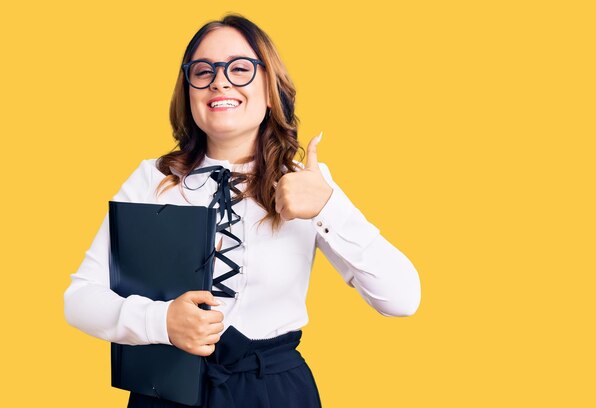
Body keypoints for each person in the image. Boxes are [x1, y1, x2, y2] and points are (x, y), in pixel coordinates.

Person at [63, 13, 421, 408]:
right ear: (189, 91)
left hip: (274, 394)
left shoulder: (309, 184)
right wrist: (159, 322)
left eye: (239, 68)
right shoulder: (153, 179)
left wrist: (329, 208)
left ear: (270, 89)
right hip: (167, 390)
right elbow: (79, 299)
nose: (219, 80)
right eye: (203, 71)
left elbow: (402, 299)